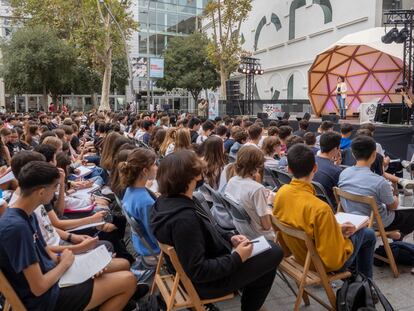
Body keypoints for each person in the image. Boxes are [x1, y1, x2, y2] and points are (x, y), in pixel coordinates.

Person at [150, 150, 283, 311]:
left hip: (191, 269)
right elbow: (199, 270)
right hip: (205, 284)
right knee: (274, 252)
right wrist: (237, 257)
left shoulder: (166, 202)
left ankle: (252, 303)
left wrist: (229, 238)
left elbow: (206, 230)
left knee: (266, 256)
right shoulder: (184, 219)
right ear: (192, 177)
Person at [0, 161, 137, 311]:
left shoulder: (26, 214)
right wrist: (65, 263)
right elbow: (38, 288)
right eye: (54, 188)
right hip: (46, 298)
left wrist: (86, 264)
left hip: (54, 276)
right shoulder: (16, 228)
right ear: (41, 192)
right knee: (128, 281)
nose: (55, 193)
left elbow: (47, 253)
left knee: (122, 264)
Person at [274, 144, 376, 279]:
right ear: (315, 168)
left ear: (289, 169)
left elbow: (304, 227)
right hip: (319, 264)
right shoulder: (320, 208)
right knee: (367, 233)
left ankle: (358, 283)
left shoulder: (282, 193)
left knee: (359, 232)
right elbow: (333, 260)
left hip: (298, 255)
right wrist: (346, 241)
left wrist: (336, 229)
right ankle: (366, 285)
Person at [339, 136, 414, 237]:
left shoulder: (344, 173)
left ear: (353, 154)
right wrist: (395, 196)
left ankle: (395, 236)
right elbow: (393, 207)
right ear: (374, 155)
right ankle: (398, 239)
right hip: (377, 222)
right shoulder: (380, 182)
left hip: (352, 217)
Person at [225, 146, 274, 240]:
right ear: (256, 167)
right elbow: (267, 226)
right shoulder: (257, 189)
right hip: (261, 237)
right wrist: (269, 203)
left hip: (242, 232)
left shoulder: (231, 181)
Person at [119, 148, 160, 257]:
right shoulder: (146, 202)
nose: (157, 168)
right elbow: (156, 236)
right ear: (145, 171)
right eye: (154, 165)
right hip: (152, 249)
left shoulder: (129, 190)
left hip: (139, 243)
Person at [313, 132, 343, 207]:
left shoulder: (308, 160)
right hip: (328, 208)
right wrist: (335, 167)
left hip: (310, 202)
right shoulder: (336, 171)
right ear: (336, 148)